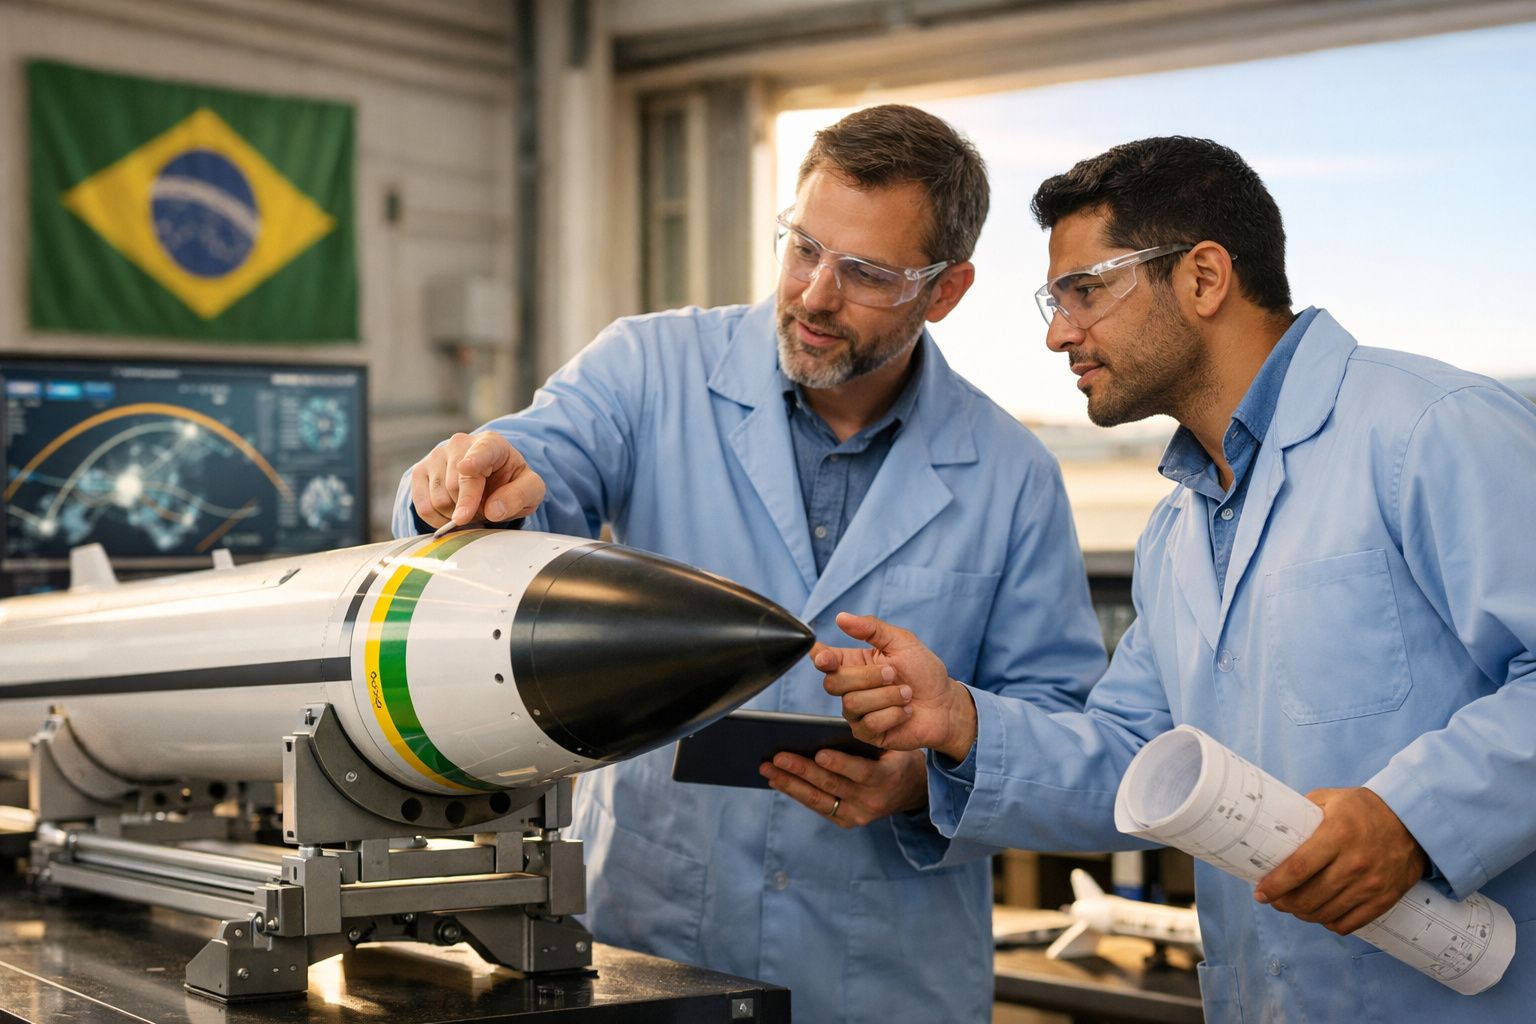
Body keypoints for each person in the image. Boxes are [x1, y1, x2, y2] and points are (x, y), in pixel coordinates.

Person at [394, 105, 1107, 1024]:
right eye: (804, 247)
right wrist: (472, 481)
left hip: (887, 977)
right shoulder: (649, 368)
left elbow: (1063, 729)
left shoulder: (1012, 475)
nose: (814, 294)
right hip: (647, 944)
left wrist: (927, 780)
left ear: (946, 290)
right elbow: (543, 464)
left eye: (865, 273)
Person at [815, 135, 1536, 1022]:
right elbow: (1130, 761)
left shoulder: (1430, 429)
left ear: (1202, 278)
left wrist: (1413, 820)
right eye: (1056, 298)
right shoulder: (1177, 531)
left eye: (1085, 291)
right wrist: (960, 722)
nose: (1057, 332)